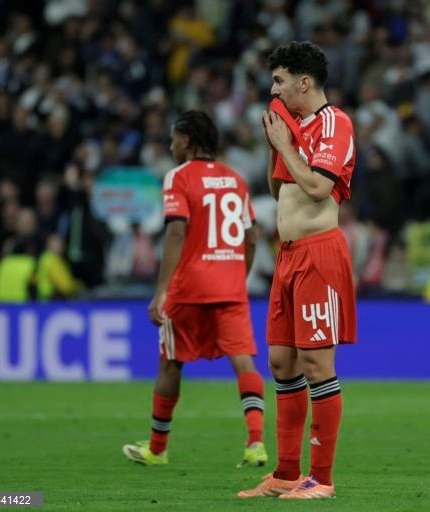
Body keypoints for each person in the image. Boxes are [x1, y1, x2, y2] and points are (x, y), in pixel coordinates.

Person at [237, 41, 357, 500]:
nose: (273, 89)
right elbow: (277, 186)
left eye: (279, 80)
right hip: (287, 254)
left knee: (316, 364)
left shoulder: (335, 123)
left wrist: (286, 144)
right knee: (282, 363)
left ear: (303, 82)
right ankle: (286, 473)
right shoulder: (296, 126)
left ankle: (321, 479)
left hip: (319, 255)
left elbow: (315, 187)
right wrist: (276, 144)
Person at [123, 110, 268, 469]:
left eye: (173, 139)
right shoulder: (236, 179)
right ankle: (256, 444)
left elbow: (175, 232)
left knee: (171, 361)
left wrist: (161, 292)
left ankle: (157, 449)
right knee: (243, 359)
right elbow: (251, 237)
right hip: (231, 286)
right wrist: (239, 275)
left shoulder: (179, 176)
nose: (171, 146)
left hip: (189, 286)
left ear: (186, 141)